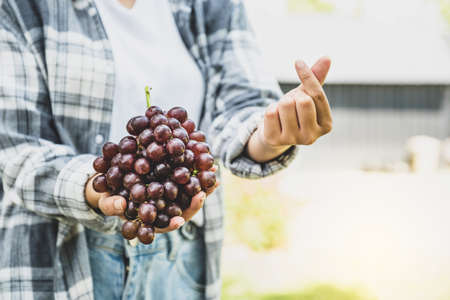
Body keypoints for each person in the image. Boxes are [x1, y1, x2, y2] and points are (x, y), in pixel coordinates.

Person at [0, 0, 333, 299]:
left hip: (182, 254)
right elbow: (18, 151)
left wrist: (271, 135)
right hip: (63, 256)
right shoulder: (21, 6)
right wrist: (97, 188)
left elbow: (243, 107)